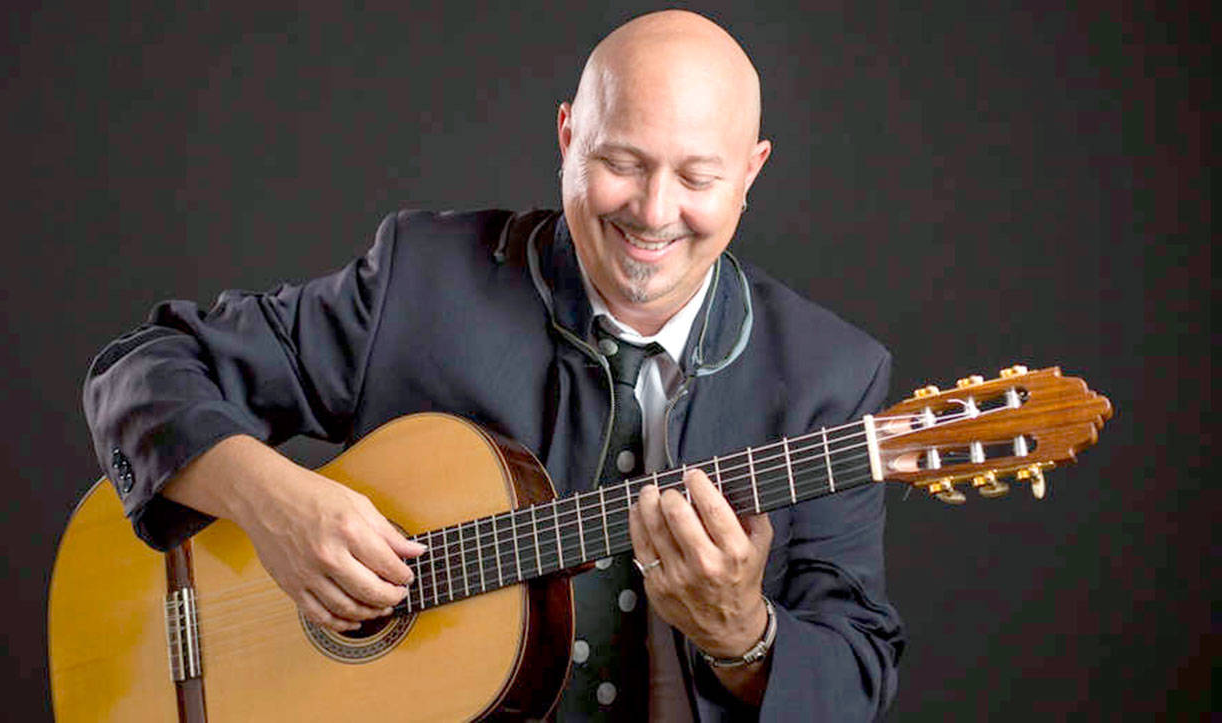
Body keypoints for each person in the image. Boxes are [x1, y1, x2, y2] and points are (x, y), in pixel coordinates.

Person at [84, 9, 903, 721]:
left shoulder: (830, 378)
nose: (655, 212)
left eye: (697, 177)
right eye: (622, 164)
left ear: (751, 172)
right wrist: (271, 505)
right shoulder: (422, 282)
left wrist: (742, 635)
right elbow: (142, 370)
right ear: (568, 138)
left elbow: (853, 681)